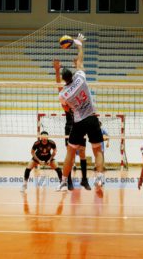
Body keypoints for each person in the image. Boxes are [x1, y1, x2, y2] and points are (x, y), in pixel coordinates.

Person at [56, 33, 105, 192]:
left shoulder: (63, 94)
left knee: (70, 151)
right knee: (97, 149)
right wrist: (79, 44)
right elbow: (80, 61)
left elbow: (65, 108)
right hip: (91, 118)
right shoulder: (81, 78)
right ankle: (99, 177)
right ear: (73, 74)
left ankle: (63, 181)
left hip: (78, 121)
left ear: (64, 80)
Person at [53, 59, 91, 191]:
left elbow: (59, 86)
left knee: (81, 152)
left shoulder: (65, 94)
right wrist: (77, 65)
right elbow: (78, 73)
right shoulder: (74, 86)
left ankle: (84, 180)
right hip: (71, 125)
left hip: (79, 123)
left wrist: (57, 70)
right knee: (71, 154)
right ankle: (68, 182)